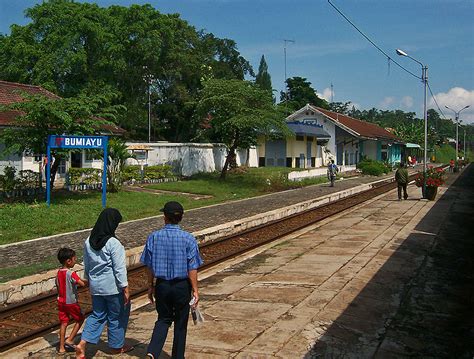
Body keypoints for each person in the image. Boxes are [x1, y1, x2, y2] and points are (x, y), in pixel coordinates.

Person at [140, 201, 204, 359]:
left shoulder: (154, 237)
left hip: (162, 286)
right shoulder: (188, 239)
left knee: (163, 319)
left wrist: (150, 285)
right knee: (181, 324)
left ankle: (152, 352)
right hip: (182, 286)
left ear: (164, 217)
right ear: (181, 217)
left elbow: (148, 265)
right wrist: (195, 290)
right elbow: (192, 268)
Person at [76, 208, 132, 359]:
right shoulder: (113, 243)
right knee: (117, 316)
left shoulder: (88, 241)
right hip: (113, 288)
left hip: (96, 287)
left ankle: (82, 343)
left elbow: (86, 264)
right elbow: (119, 268)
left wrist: (87, 280)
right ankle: (116, 347)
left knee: (98, 315)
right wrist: (125, 287)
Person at [56, 248, 87, 354]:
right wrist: (87, 281)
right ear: (68, 261)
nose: (75, 260)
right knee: (80, 318)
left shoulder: (59, 272)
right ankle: (70, 339)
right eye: (74, 259)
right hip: (71, 302)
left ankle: (61, 348)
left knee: (64, 323)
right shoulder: (71, 273)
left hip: (61, 301)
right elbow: (82, 284)